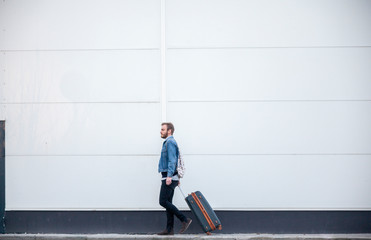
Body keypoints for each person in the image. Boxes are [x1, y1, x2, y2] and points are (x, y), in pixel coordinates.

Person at [157, 122, 192, 235]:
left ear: (169, 131)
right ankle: (169, 229)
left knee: (163, 201)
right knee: (168, 203)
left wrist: (169, 176)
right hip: (171, 176)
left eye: (163, 129)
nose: (161, 131)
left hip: (169, 176)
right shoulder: (168, 142)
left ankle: (184, 219)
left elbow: (172, 161)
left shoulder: (170, 142)